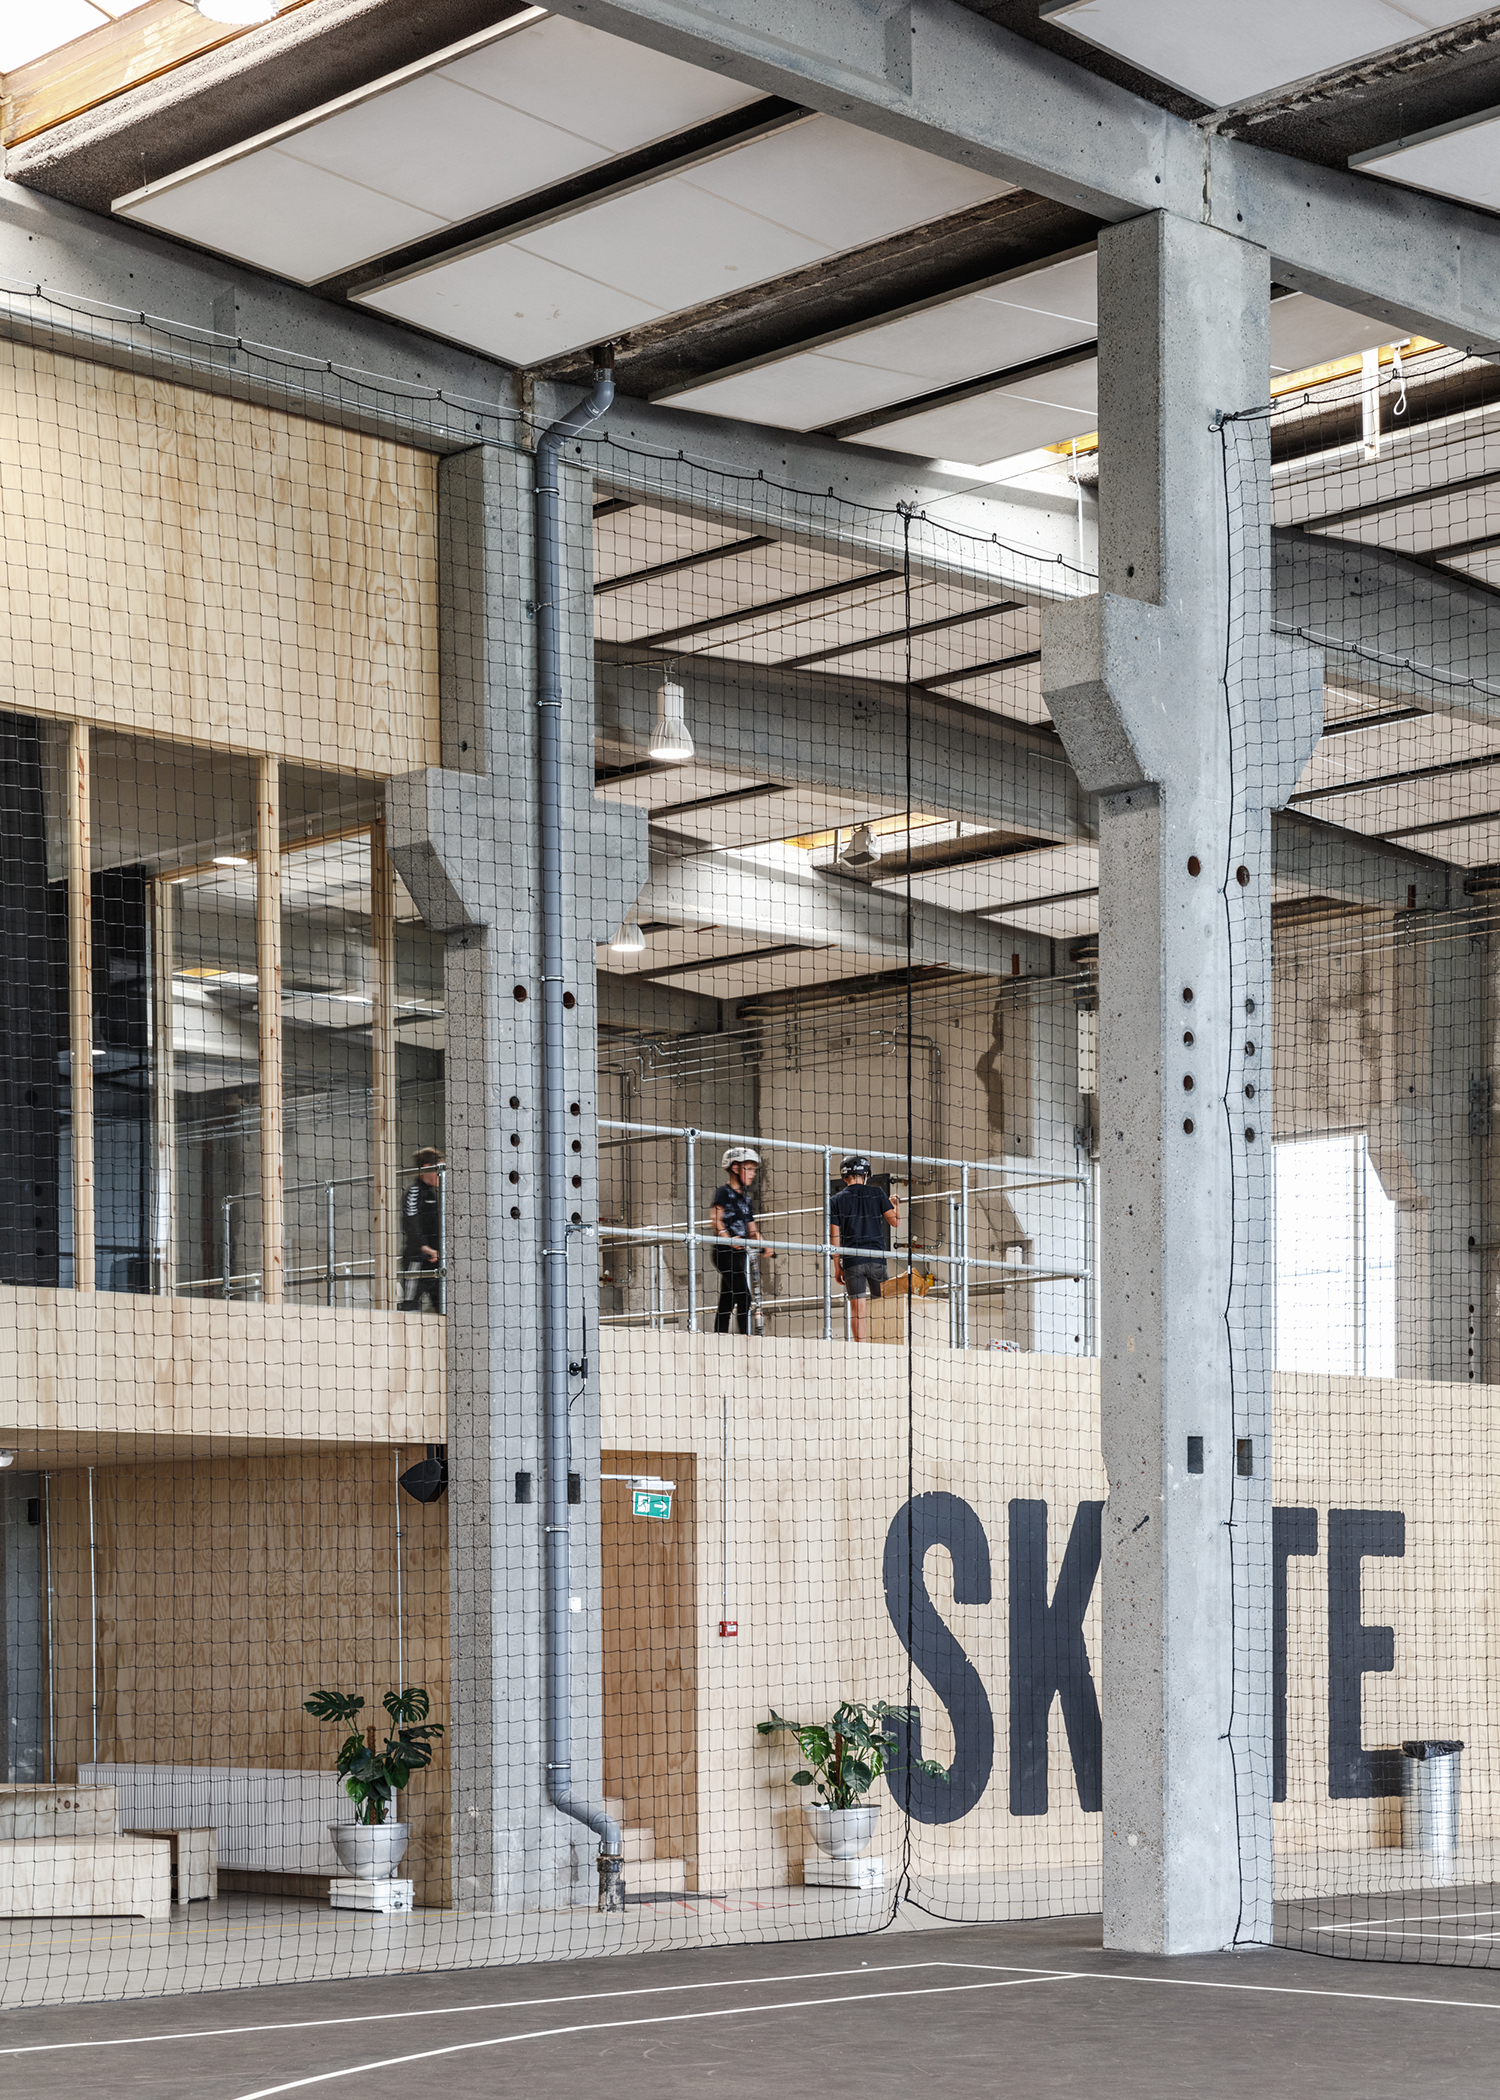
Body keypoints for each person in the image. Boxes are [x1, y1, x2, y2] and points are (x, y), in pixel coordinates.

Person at [830, 1153, 899, 1343]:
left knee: (857, 1308)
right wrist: (894, 1205)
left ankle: (860, 1349)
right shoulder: (877, 1193)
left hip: (852, 1260)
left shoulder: (835, 1200)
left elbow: (834, 1237)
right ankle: (883, 1344)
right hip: (876, 1258)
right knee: (882, 1305)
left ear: (844, 1177)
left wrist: (837, 1266)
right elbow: (895, 1222)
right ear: (866, 1174)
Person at [708, 1146, 773, 1335]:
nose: (753, 1174)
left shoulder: (746, 1200)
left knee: (727, 1298)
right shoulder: (723, 1192)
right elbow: (716, 1220)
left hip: (739, 1254)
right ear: (735, 1168)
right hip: (724, 1252)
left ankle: (719, 1335)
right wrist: (728, 1239)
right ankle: (745, 1337)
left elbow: (753, 1231)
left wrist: (765, 1245)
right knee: (744, 1297)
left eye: (754, 1169)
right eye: (749, 1169)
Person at [400, 1148, 445, 1313]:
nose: (441, 1175)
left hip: (436, 1262)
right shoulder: (415, 1191)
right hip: (417, 1260)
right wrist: (425, 1248)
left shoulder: (431, 1194)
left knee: (443, 1306)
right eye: (438, 1169)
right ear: (427, 1167)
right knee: (410, 1305)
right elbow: (410, 1222)